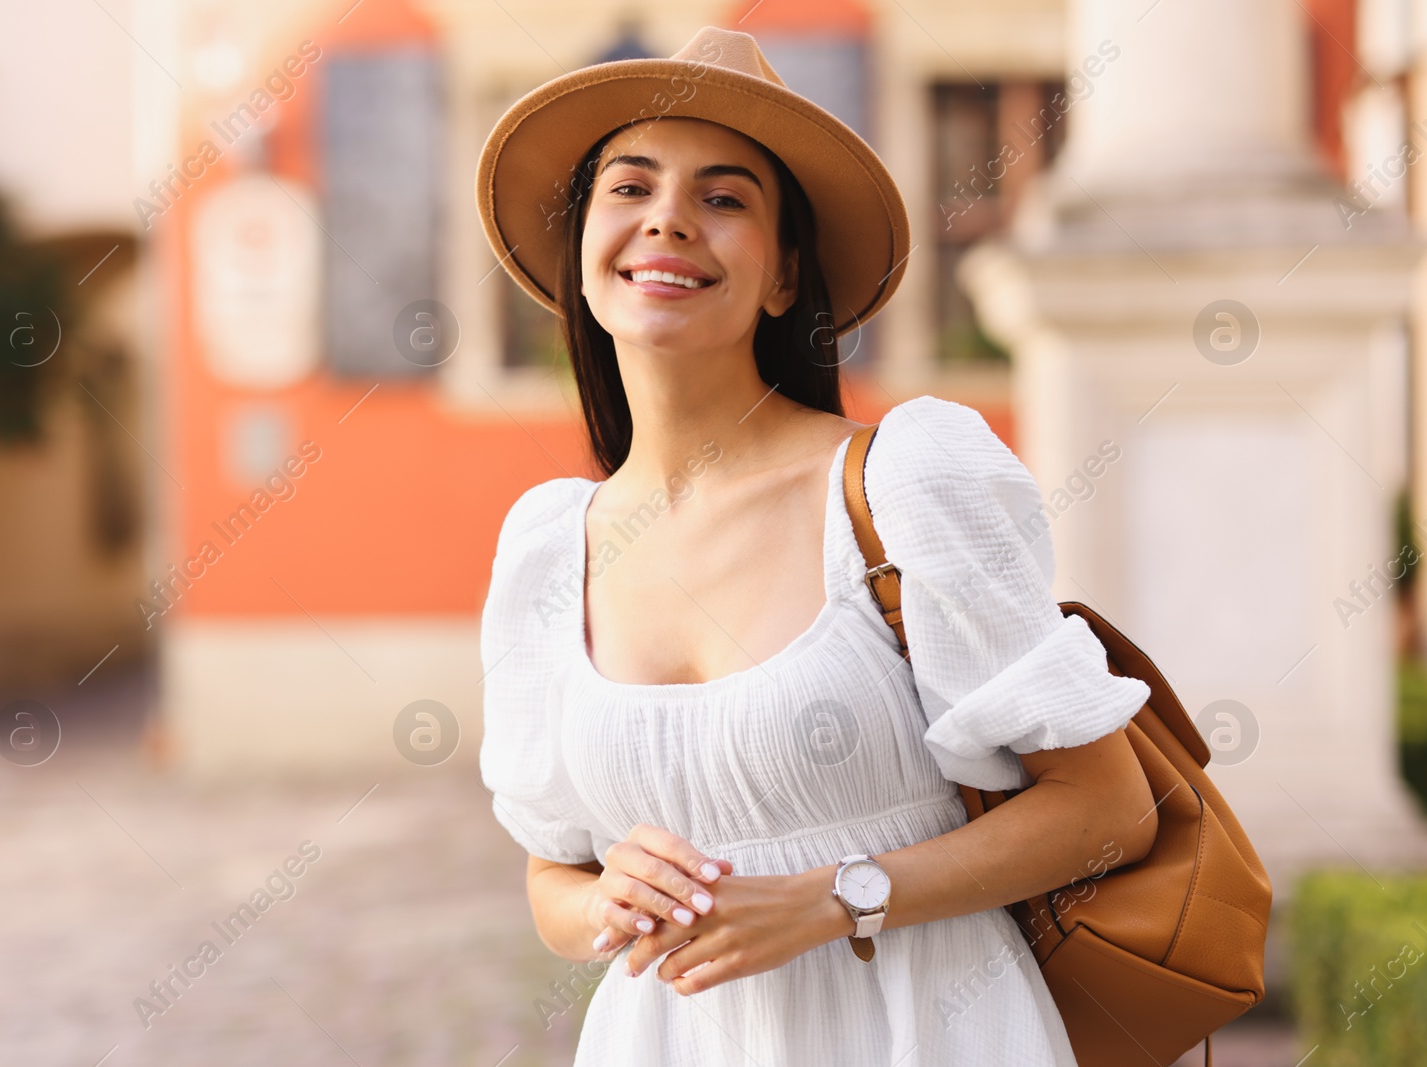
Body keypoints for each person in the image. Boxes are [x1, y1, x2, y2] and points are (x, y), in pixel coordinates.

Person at [475, 26, 1157, 1066]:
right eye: (630, 186)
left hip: (923, 1030)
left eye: (723, 197)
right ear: (585, 244)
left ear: (786, 274)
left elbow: (1107, 806)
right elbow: (551, 882)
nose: (667, 218)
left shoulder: (899, 483)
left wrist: (838, 898)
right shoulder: (546, 546)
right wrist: (605, 896)